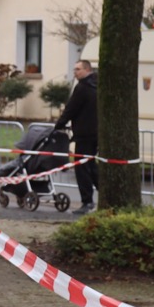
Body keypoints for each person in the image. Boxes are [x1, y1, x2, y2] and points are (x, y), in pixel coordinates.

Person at [52, 58, 97, 212]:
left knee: (81, 168)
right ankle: (107, 197)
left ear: (87, 70)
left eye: (78, 69)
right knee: (91, 166)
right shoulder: (97, 85)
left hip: (84, 134)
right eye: (74, 69)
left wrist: (59, 124)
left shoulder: (82, 88)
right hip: (95, 134)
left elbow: (71, 108)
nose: (75, 72)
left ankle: (87, 201)